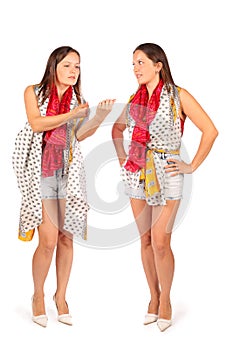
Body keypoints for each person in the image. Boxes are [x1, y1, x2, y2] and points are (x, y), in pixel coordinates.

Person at [112, 43, 218, 332]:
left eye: (141, 62)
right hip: (137, 173)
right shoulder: (135, 99)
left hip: (167, 172)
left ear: (158, 65)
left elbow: (210, 131)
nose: (135, 69)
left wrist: (190, 165)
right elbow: (117, 129)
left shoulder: (177, 96)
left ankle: (167, 300)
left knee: (161, 241)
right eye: (133, 63)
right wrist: (124, 159)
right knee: (144, 240)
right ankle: (153, 296)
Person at [12, 46, 115, 327]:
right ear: (54, 66)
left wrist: (98, 117)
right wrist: (72, 116)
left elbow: (77, 136)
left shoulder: (77, 99)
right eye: (68, 65)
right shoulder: (33, 92)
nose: (73, 71)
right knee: (47, 240)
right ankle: (37, 296)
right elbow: (36, 124)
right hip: (40, 172)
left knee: (66, 238)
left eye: (78, 67)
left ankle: (61, 297)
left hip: (67, 173)